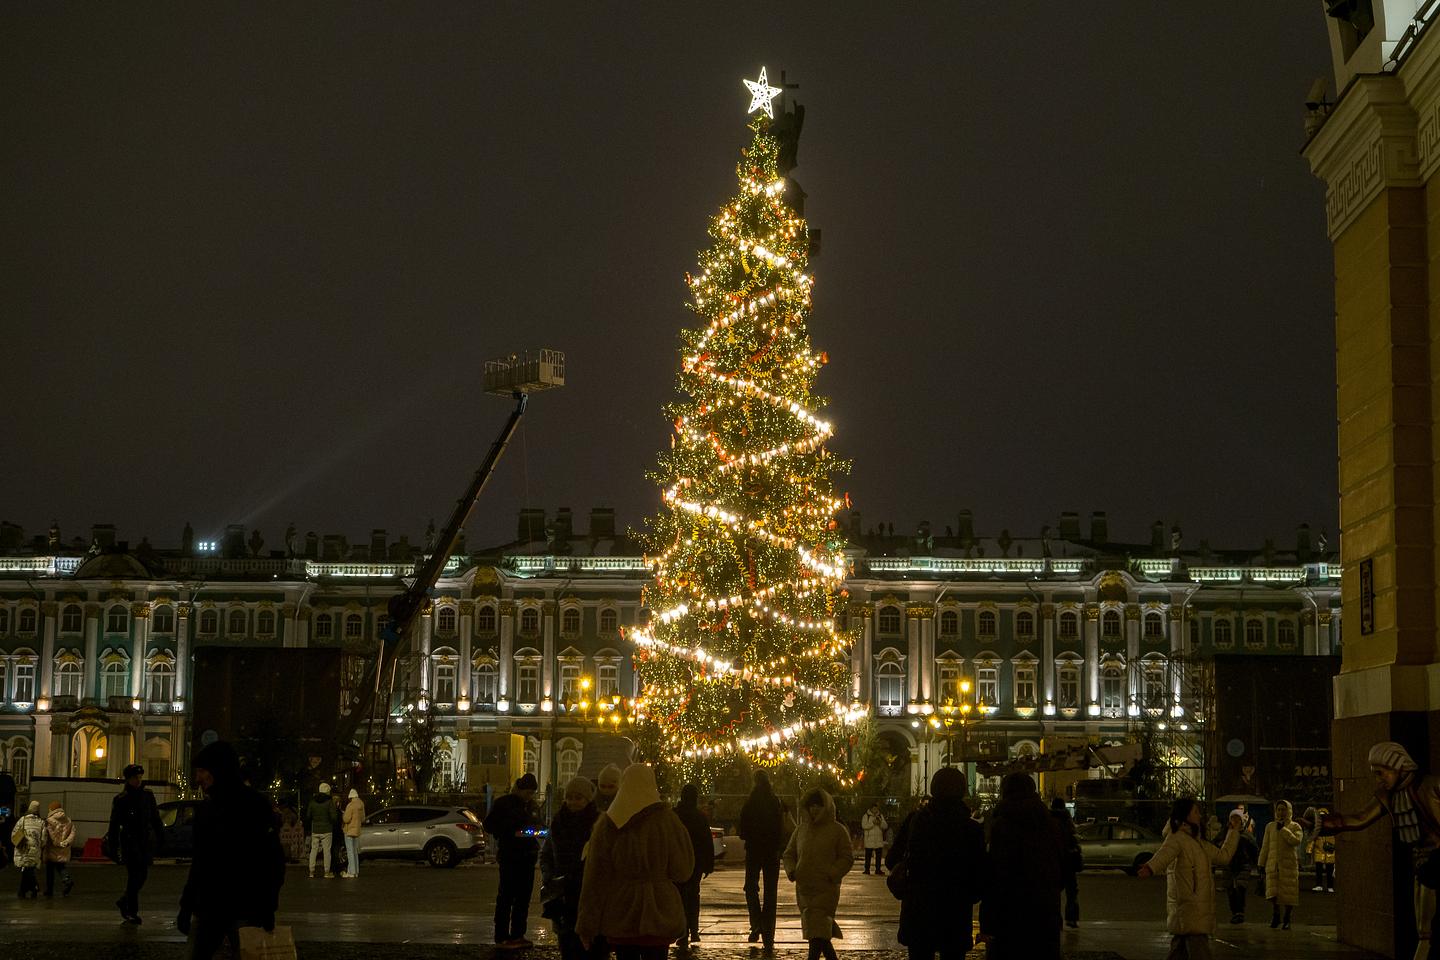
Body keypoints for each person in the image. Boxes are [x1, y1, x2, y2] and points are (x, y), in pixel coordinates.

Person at [1321, 741, 1440, 960]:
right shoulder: (1390, 795)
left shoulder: (1430, 786)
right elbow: (1360, 818)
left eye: (1381, 773)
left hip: (1434, 863)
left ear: (1397, 766)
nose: (1379, 779)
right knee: (1424, 931)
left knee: (1426, 932)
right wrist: (1321, 824)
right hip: (1423, 865)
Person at [176, 740, 286, 959]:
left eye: (202, 771)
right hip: (235, 906)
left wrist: (188, 906)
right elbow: (200, 863)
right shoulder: (252, 804)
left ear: (217, 771)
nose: (197, 778)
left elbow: (271, 859)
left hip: (230, 907)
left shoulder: (222, 808)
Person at [575, 763, 693, 960]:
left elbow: (595, 877)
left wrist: (587, 924)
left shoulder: (608, 823)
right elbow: (683, 871)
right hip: (660, 910)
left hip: (622, 910)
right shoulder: (669, 821)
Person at [888, 767, 986, 960]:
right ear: (962, 790)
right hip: (955, 911)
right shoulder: (971, 829)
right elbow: (980, 872)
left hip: (919, 909)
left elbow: (892, 859)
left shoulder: (915, 821)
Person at [1137, 800, 1243, 959]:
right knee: (1198, 949)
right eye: (1195, 812)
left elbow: (1223, 856)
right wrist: (1150, 867)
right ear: (1185, 815)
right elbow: (1164, 854)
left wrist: (1233, 832)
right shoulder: (1177, 837)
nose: (1199, 815)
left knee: (1179, 949)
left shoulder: (1198, 841)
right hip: (1189, 906)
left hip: (1193, 908)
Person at [980, 772, 1065, 960]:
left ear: (1005, 792)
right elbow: (1063, 869)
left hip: (1009, 915)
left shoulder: (1002, 825)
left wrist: (987, 922)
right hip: (1045, 913)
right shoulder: (1052, 824)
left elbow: (996, 876)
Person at [783, 788, 853, 960]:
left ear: (826, 807)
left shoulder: (837, 830)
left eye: (818, 806)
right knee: (818, 935)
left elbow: (846, 857)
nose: (814, 810)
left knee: (817, 934)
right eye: (812, 806)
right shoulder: (801, 830)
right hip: (804, 890)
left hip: (826, 888)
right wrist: (792, 870)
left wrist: (833, 873)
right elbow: (789, 853)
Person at [541, 776, 600, 960]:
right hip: (563, 893)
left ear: (588, 799)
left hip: (588, 892)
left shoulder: (597, 824)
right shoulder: (558, 823)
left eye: (578, 797)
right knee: (567, 945)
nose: (573, 802)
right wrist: (549, 877)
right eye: (570, 797)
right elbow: (546, 854)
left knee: (591, 948)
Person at [485, 772, 543, 948]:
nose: (529, 796)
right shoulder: (504, 804)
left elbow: (538, 828)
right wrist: (511, 833)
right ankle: (502, 936)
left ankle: (518, 934)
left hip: (527, 856)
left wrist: (532, 832)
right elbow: (489, 825)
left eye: (532, 793)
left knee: (523, 898)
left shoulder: (531, 805)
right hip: (510, 855)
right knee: (506, 897)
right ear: (519, 789)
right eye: (527, 792)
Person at [108, 762, 164, 924]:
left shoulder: (147, 795)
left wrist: (160, 837)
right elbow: (114, 824)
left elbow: (155, 818)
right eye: (135, 778)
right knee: (134, 876)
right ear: (128, 779)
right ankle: (131, 910)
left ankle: (124, 900)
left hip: (144, 841)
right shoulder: (121, 799)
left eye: (139, 777)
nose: (138, 780)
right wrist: (113, 846)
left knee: (143, 875)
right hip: (130, 841)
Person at [739, 770, 785, 950]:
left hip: (754, 850)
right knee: (770, 892)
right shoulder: (776, 802)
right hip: (771, 852)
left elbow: (743, 830)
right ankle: (768, 931)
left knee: (750, 886)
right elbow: (780, 828)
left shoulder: (750, 803)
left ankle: (756, 921)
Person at [674, 783, 716, 945]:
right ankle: (694, 929)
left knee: (680, 896)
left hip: (677, 861)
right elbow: (707, 842)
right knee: (693, 895)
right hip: (696, 863)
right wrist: (708, 864)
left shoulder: (675, 815)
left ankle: (683, 930)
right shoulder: (699, 817)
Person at [1258, 799, 1303, 930]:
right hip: (1273, 864)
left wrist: (1283, 830)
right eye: (1278, 809)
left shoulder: (1295, 826)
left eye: (1283, 809)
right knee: (1273, 892)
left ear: (1288, 811)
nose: (1281, 812)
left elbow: (1296, 841)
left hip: (1288, 865)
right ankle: (1276, 914)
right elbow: (1265, 846)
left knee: (1289, 893)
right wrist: (1261, 863)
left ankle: (1287, 918)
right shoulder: (1270, 826)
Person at [1049, 796, 1082, 929]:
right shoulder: (1068, 821)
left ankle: (1056, 920)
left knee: (1054, 893)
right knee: (1071, 893)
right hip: (1068, 862)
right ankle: (1072, 919)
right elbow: (1073, 840)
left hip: (1054, 861)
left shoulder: (1049, 821)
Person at [1223, 815, 1259, 924]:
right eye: (1233, 819)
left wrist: (1255, 862)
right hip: (1229, 864)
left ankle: (1239, 913)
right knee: (1230, 889)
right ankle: (1235, 912)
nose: (1235, 822)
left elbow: (1254, 849)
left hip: (1244, 864)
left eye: (1237, 819)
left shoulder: (1246, 835)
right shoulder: (1226, 833)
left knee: (1240, 887)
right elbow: (1217, 843)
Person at [12, 800, 44, 898]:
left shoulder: (23, 820)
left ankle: (29, 889)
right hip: (35, 850)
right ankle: (30, 889)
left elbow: (14, 833)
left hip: (23, 848)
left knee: (26, 869)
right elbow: (44, 839)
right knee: (29, 869)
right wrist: (39, 846)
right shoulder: (41, 822)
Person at [305, 782, 338, 879]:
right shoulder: (329, 802)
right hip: (327, 830)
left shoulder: (312, 802)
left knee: (313, 851)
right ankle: (326, 872)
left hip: (315, 830)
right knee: (326, 851)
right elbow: (334, 817)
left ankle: (311, 871)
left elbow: (308, 816)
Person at [43, 800, 76, 898]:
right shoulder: (68, 820)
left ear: (51, 809)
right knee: (61, 867)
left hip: (52, 849)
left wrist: (56, 843)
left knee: (50, 871)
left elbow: (50, 834)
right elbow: (73, 833)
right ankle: (67, 880)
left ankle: (49, 890)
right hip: (63, 849)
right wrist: (65, 843)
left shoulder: (49, 820)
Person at [1306, 806, 1335, 892]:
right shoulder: (1317, 829)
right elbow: (1312, 840)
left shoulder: (1330, 828)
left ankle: (1330, 886)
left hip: (1330, 853)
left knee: (1329, 871)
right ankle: (1319, 885)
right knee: (1319, 871)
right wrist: (1309, 849)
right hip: (1319, 852)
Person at [341, 788, 365, 878]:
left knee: (350, 851)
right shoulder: (361, 804)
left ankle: (351, 872)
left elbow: (346, 819)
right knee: (355, 851)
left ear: (350, 797)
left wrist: (343, 814)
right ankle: (356, 872)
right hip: (357, 830)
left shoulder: (350, 805)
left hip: (349, 830)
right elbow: (363, 818)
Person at [861, 804, 887, 876]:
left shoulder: (880, 816)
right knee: (868, 856)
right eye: (874, 809)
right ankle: (867, 869)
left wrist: (880, 823)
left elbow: (885, 826)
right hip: (869, 840)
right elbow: (864, 826)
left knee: (878, 856)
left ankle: (878, 869)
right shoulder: (866, 816)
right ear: (871, 809)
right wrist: (872, 823)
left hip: (878, 839)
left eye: (876, 809)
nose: (875, 810)